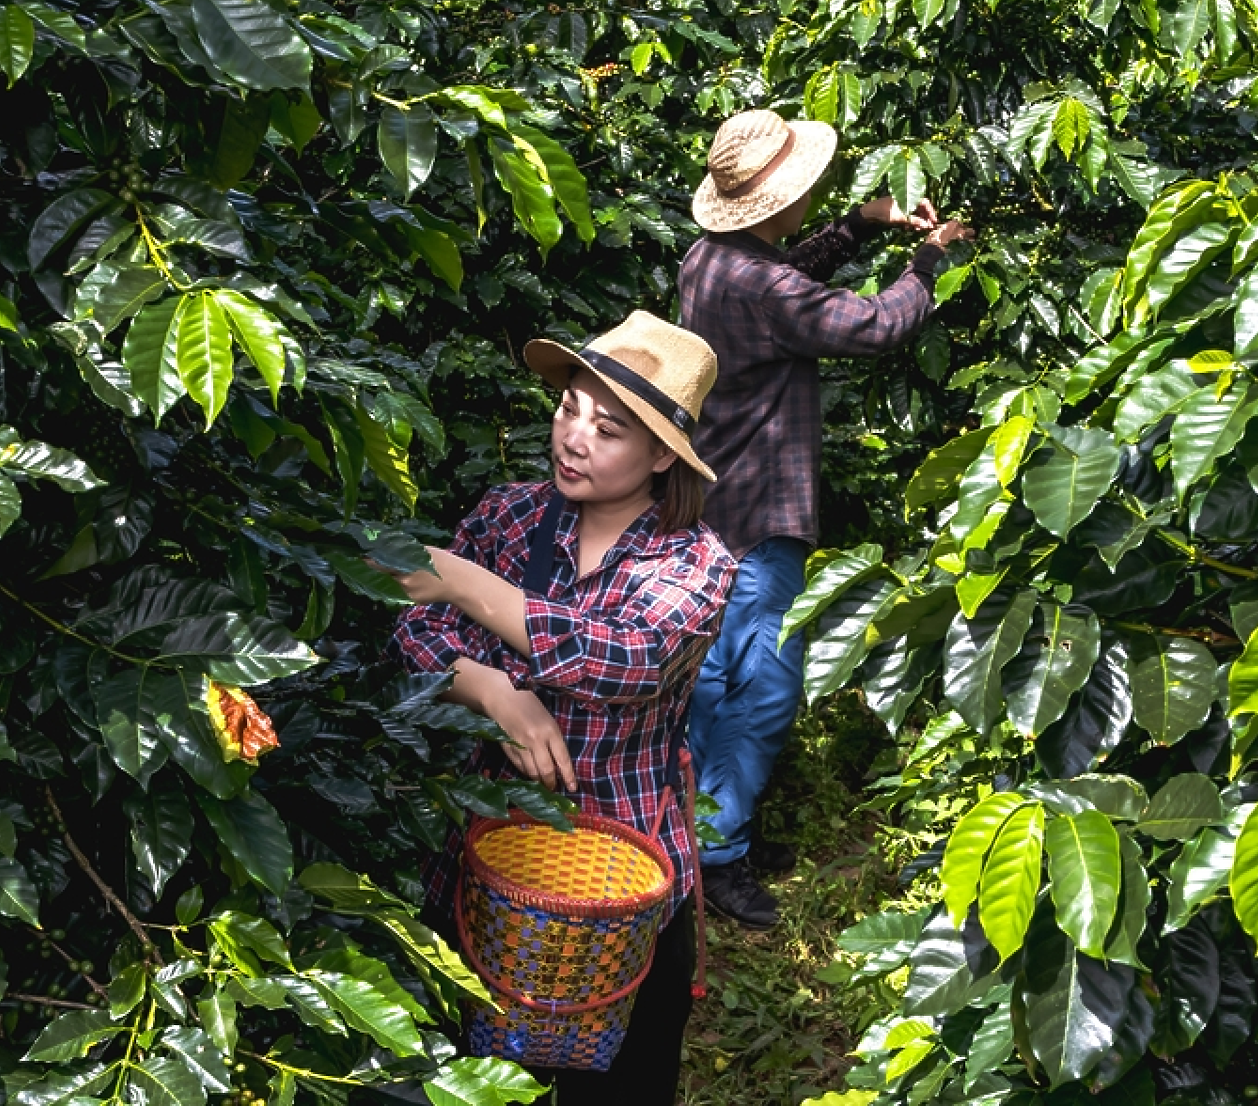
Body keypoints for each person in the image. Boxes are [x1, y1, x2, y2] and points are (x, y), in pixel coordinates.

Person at [387, 310, 738, 1103]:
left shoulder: (694, 561)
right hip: (481, 859)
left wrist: (467, 584)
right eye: (568, 409)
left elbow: (628, 655)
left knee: (619, 1085)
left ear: (660, 456)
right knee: (466, 1076)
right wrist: (489, 689)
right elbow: (415, 626)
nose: (574, 437)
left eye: (608, 429)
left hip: (624, 870)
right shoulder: (511, 513)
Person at [680, 108, 974, 930]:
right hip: (758, 507)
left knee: (709, 677)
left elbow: (788, 281)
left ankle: (698, 827)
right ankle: (716, 853)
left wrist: (859, 225)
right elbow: (868, 325)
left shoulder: (709, 258)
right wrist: (927, 259)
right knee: (763, 686)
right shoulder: (761, 282)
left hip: (708, 496)